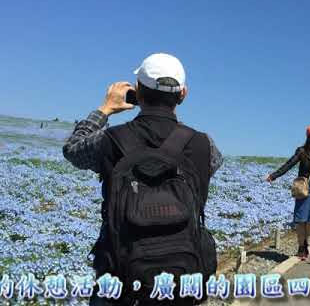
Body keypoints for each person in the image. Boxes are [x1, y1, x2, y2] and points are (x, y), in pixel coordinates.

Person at [63, 53, 223, 306]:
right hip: (183, 278)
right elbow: (209, 167)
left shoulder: (111, 140)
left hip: (121, 279)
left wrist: (104, 110)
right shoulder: (205, 145)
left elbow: (72, 150)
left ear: (137, 91)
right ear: (183, 94)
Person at [266, 124, 310, 260]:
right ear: (309, 137)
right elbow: (289, 164)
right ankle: (301, 247)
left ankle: (304, 243)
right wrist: (274, 175)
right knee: (301, 219)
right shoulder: (302, 151)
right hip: (304, 188)